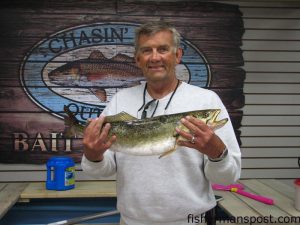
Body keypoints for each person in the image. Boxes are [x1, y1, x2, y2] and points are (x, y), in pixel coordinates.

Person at [81, 21, 241, 225]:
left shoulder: (206, 101)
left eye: (163, 49)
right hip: (132, 221)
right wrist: (93, 156)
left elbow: (228, 178)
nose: (155, 57)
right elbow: (102, 170)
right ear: (138, 59)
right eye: (147, 50)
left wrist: (218, 154)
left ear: (178, 55)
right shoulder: (120, 100)